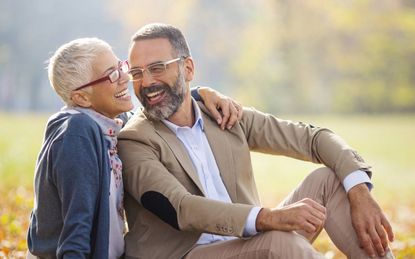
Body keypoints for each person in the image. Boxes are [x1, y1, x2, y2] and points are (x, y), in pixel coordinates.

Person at [118, 23, 395, 259]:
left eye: (157, 68)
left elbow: (313, 138)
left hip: (246, 242)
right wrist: (269, 218)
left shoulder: (224, 114)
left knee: (331, 180)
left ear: (188, 69)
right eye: (137, 74)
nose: (146, 82)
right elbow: (182, 208)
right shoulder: (134, 140)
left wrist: (359, 190)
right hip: (186, 253)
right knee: (278, 241)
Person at [26, 37, 242, 259]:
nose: (125, 78)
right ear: (81, 97)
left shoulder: (110, 123)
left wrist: (199, 93)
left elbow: (155, 108)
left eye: (120, 67)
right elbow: (76, 229)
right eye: (111, 74)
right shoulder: (77, 132)